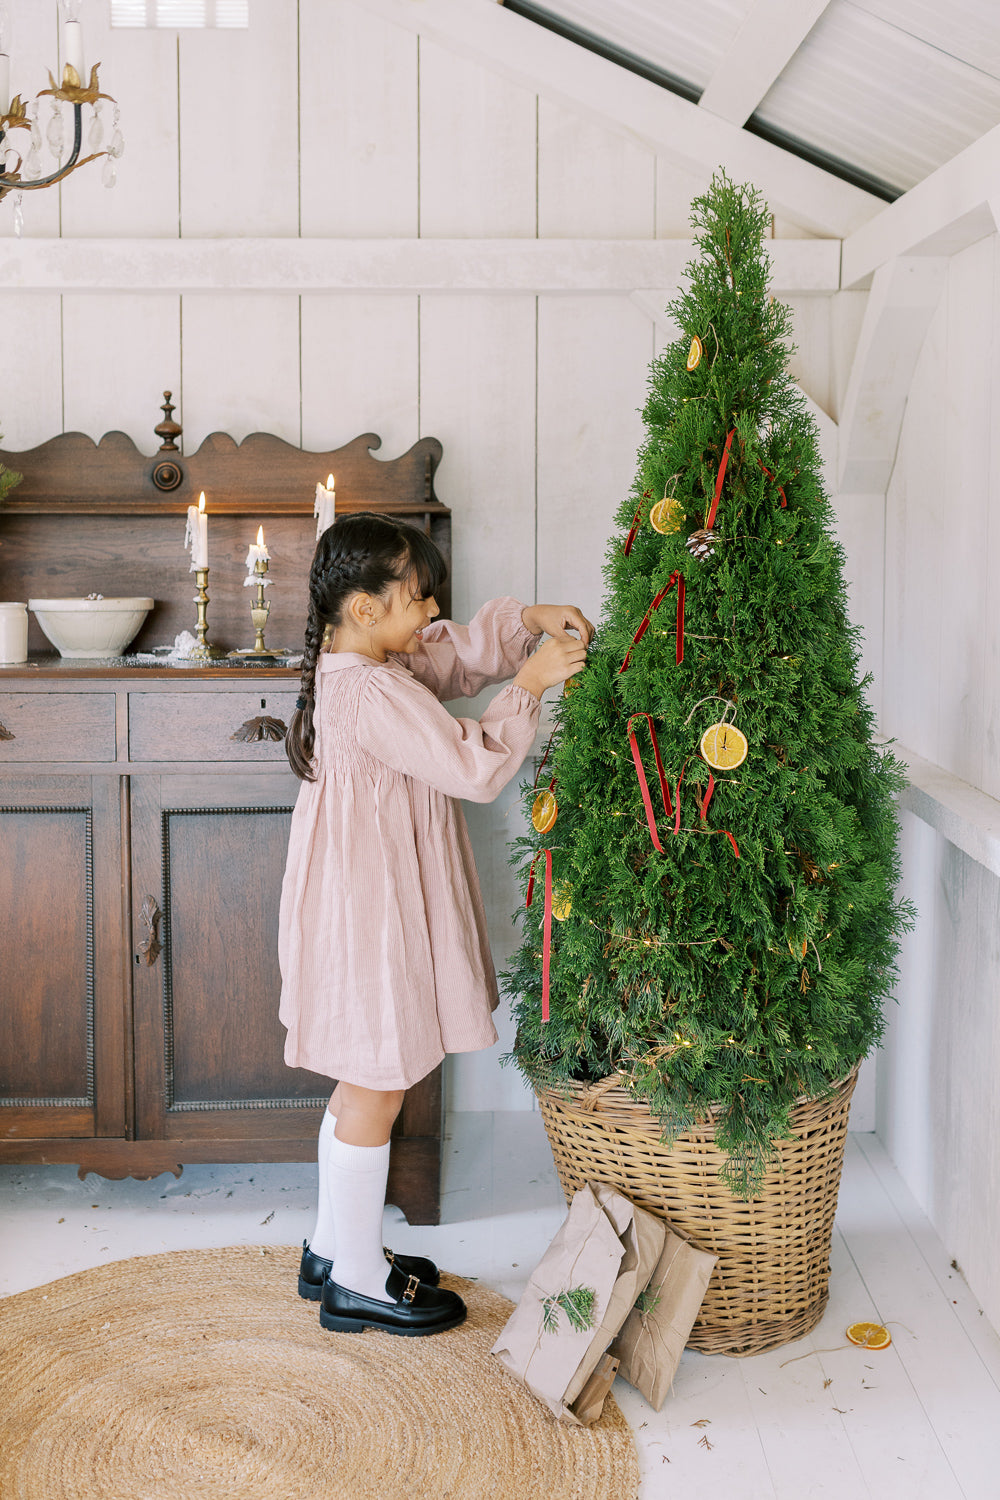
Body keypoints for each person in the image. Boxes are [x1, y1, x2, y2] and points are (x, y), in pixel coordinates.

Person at [279, 511, 592, 1337]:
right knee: (376, 1078)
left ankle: (330, 1246)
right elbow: (472, 764)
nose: (428, 614)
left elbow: (446, 656)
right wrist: (529, 687)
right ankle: (354, 1281)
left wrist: (522, 625)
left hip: (363, 894)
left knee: (363, 1076)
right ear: (364, 606)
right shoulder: (371, 689)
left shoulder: (363, 661)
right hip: (369, 906)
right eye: (417, 599)